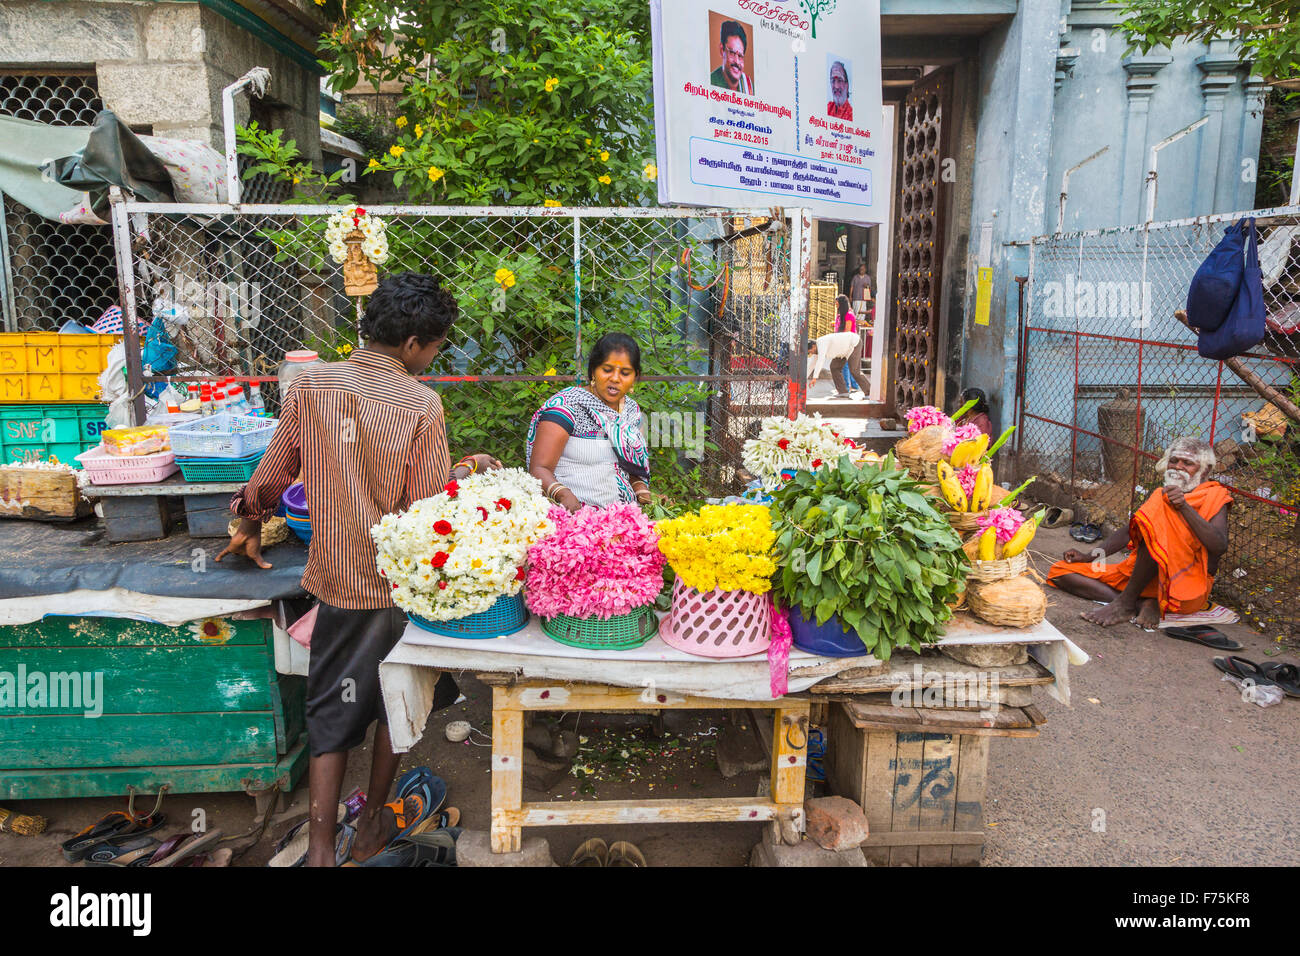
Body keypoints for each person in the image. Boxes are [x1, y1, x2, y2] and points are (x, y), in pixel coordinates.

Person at [218, 273, 499, 866]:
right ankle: (371, 823)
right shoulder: (420, 402)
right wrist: (466, 472)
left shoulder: (313, 384)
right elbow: (424, 509)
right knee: (395, 705)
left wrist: (246, 519)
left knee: (331, 711)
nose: (433, 358)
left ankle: (321, 850)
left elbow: (273, 474)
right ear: (417, 342)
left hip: (341, 583)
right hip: (398, 587)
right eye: (437, 347)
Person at [1047, 437, 1231, 629]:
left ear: (1205, 470)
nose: (1178, 467)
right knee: (1060, 572)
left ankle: (1126, 602)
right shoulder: (1161, 495)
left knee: (1155, 534)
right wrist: (1088, 557)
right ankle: (1137, 603)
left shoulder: (1214, 496)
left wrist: (1184, 507)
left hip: (1183, 588)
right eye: (1174, 460)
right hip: (1144, 578)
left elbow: (1219, 546)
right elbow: (1129, 531)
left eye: (1188, 463)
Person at [527, 333, 651, 510]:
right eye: (607, 370)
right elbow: (539, 469)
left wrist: (640, 488)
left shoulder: (632, 412)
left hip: (624, 519)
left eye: (625, 373)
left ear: (635, 377)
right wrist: (563, 495)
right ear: (593, 370)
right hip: (573, 518)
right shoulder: (567, 408)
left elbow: (631, 468)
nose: (615, 378)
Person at [807, 329, 864, 399]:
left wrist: (815, 377)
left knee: (854, 370)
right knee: (834, 367)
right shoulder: (816, 349)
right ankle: (843, 392)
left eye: (810, 351)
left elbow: (820, 360)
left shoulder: (821, 343)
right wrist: (804, 380)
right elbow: (811, 364)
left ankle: (868, 391)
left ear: (813, 346)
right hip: (842, 351)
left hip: (854, 343)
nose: (811, 353)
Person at [710, 20, 754, 95]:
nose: (736, 61)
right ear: (722, 50)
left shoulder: (749, 87)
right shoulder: (711, 82)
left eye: (740, 56)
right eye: (732, 53)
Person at [834, 294, 862, 392]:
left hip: (848, 343)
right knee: (849, 366)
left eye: (837, 305)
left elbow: (847, 331)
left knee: (845, 366)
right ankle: (853, 386)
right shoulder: (840, 316)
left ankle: (846, 387)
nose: (836, 306)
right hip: (843, 342)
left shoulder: (849, 315)